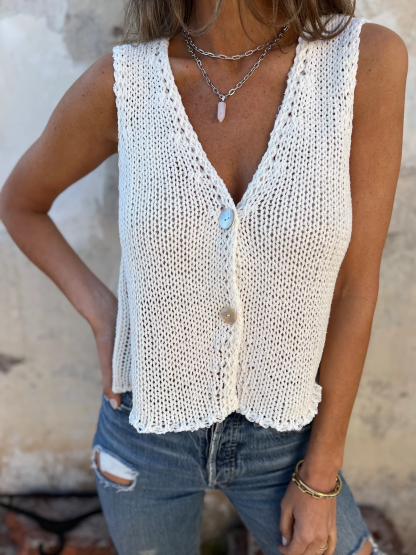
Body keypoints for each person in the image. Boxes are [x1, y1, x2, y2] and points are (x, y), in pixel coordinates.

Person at [0, 0, 408, 554]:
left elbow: (356, 287)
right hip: (143, 434)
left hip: (286, 442)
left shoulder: (363, 62)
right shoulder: (125, 83)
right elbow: (21, 204)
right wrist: (105, 316)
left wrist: (320, 474)